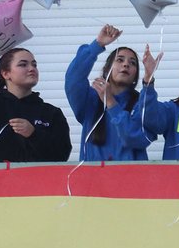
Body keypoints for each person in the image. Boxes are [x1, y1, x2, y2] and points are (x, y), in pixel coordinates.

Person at [0, 46, 71, 163]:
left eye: (34, 64)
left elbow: (62, 154)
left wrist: (33, 134)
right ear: (6, 74)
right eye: (23, 64)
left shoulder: (51, 113)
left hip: (35, 180)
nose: (31, 69)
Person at [65, 24, 153, 161]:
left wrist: (111, 102)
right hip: (92, 179)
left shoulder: (143, 102)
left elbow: (135, 138)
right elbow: (73, 79)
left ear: (136, 75)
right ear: (107, 69)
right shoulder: (91, 99)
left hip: (131, 180)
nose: (126, 65)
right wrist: (97, 45)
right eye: (120, 60)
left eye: (133, 63)